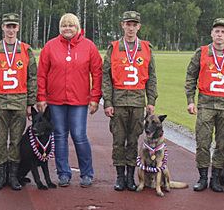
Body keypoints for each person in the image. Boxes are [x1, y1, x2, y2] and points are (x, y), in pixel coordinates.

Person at [37, 13, 102, 188]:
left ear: (77, 28)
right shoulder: (50, 46)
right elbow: (41, 74)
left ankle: (87, 173)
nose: (67, 29)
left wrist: (95, 98)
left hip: (79, 100)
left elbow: (97, 74)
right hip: (55, 100)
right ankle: (63, 173)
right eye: (64, 25)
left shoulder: (89, 47)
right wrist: (41, 97)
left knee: (79, 136)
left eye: (71, 25)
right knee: (59, 136)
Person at [185, 18, 224, 192]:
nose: (219, 35)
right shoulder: (202, 52)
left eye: (223, 32)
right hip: (205, 103)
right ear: (212, 33)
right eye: (217, 31)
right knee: (203, 142)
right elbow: (191, 76)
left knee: (222, 144)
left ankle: (215, 178)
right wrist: (190, 100)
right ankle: (203, 177)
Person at [102, 11, 158, 191]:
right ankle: (119, 176)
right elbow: (106, 77)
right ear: (122, 25)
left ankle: (131, 177)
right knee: (119, 139)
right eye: (128, 24)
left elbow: (151, 76)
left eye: (134, 24)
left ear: (139, 26)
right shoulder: (113, 48)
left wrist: (151, 100)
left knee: (133, 140)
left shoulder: (146, 48)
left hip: (137, 100)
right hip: (118, 100)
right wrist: (108, 102)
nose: (131, 28)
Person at [0, 13, 38, 191]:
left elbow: (32, 78)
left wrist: (31, 103)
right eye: (8, 26)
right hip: (0, 101)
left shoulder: (26, 49)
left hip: (19, 101)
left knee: (15, 141)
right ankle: (1, 175)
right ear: (2, 27)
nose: (10, 30)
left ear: (18, 28)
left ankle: (13, 176)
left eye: (13, 26)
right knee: (1, 140)